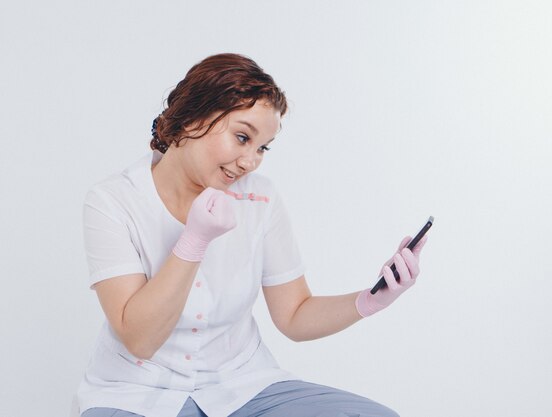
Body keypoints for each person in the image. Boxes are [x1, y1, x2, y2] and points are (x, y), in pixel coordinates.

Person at [77, 53, 427, 417]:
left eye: (262, 147)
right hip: (135, 393)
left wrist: (370, 300)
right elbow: (140, 340)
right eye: (242, 137)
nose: (250, 161)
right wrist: (193, 242)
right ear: (194, 116)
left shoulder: (260, 198)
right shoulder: (113, 200)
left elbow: (294, 315)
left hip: (241, 388)